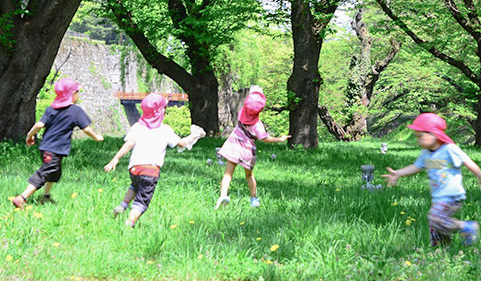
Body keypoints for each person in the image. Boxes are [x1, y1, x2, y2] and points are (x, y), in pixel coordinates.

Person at [382, 112, 481, 247]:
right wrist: (397, 173)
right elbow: (416, 167)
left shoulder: (449, 149)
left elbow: (467, 161)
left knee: (435, 218)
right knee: (434, 224)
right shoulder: (426, 153)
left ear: (433, 134)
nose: (418, 140)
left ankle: (466, 226)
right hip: (438, 196)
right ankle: (441, 248)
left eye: (420, 136)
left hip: (452, 195)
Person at [104, 93, 203, 227]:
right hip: (150, 171)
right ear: (159, 112)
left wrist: (115, 159)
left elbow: (129, 144)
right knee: (142, 201)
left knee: (135, 186)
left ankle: (123, 205)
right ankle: (130, 222)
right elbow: (181, 144)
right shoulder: (165, 130)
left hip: (134, 169)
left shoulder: (137, 127)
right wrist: (194, 136)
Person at [12, 78, 103, 208]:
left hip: (47, 147)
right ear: (72, 94)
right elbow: (86, 128)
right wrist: (96, 137)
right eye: (77, 92)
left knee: (55, 172)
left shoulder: (51, 109)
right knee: (45, 172)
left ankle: (46, 196)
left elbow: (39, 124)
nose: (78, 94)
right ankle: (22, 197)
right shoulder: (76, 111)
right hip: (54, 149)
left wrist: (29, 135)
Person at [215, 86, 290, 209]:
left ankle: (223, 195)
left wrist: (254, 93)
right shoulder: (258, 125)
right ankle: (254, 199)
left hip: (234, 146)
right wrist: (279, 139)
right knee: (249, 175)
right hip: (247, 151)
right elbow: (265, 139)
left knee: (228, 174)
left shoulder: (241, 113)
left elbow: (250, 103)